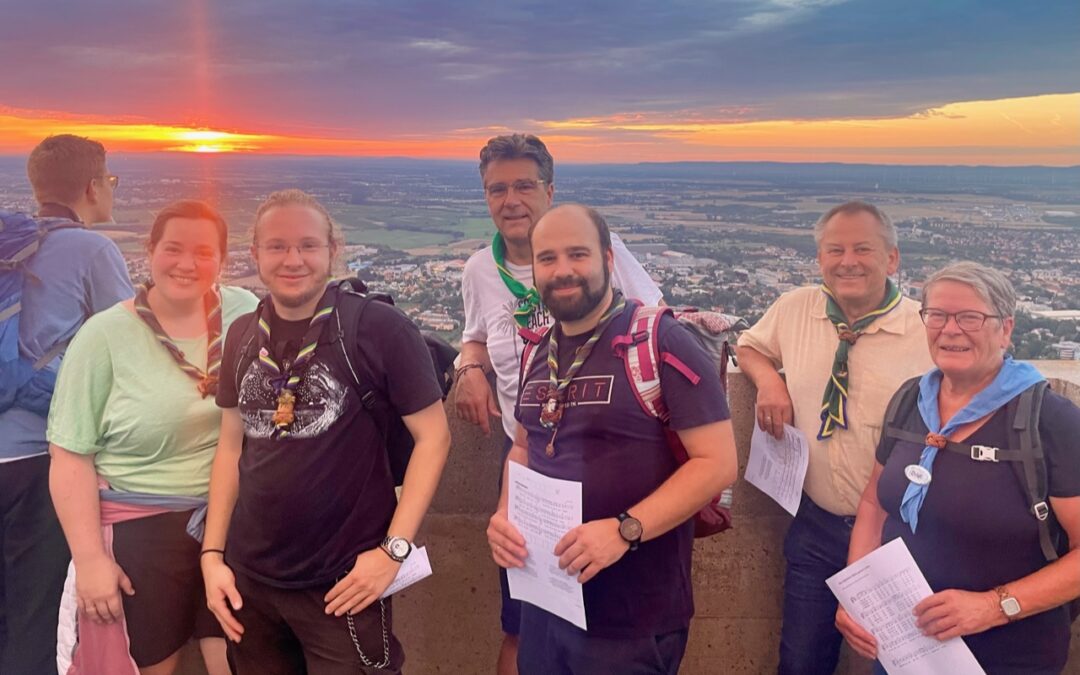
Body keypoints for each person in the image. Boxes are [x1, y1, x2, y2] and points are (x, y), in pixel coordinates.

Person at [201, 189, 452, 674]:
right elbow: (231, 448)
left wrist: (392, 552)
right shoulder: (242, 334)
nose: (293, 259)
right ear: (254, 255)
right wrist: (213, 556)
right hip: (249, 581)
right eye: (276, 246)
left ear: (332, 251)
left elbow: (434, 438)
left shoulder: (379, 329)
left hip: (344, 583)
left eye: (308, 246)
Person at [486, 204, 737, 674]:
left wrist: (625, 530)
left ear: (607, 259)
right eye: (548, 259)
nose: (562, 271)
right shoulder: (538, 351)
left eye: (577, 255)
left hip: (631, 619)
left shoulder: (659, 340)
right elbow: (524, 445)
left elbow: (717, 464)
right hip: (547, 602)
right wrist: (505, 512)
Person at [456, 133, 662, 674]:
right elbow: (476, 336)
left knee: (606, 635)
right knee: (523, 626)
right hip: (528, 467)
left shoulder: (600, 257)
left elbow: (656, 331)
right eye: (496, 189)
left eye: (524, 185)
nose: (511, 200)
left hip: (609, 461)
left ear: (550, 190)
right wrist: (469, 367)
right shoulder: (479, 270)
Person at [837, 262, 1080, 675]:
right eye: (937, 315)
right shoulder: (910, 399)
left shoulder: (1049, 421)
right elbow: (874, 503)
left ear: (1005, 329)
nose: (950, 329)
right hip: (904, 645)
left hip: (1008, 652)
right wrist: (857, 595)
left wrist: (992, 606)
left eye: (970, 317)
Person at [48, 200, 256, 675]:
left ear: (222, 259)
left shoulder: (245, 312)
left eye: (204, 252)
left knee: (241, 661)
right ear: (150, 251)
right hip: (140, 530)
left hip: (232, 522)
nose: (187, 264)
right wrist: (91, 561)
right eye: (174, 249)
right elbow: (69, 456)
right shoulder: (103, 337)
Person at [736, 201, 933, 674]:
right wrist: (770, 381)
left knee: (898, 664)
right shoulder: (795, 308)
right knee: (801, 661)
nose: (848, 261)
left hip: (901, 535)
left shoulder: (924, 328)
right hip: (816, 526)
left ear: (892, 259)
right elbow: (748, 346)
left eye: (863, 249)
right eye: (835, 249)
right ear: (819, 258)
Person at [0, 134, 133, 674]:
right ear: (91, 186)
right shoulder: (93, 250)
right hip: (40, 461)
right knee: (35, 619)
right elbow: (130, 352)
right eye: (111, 180)